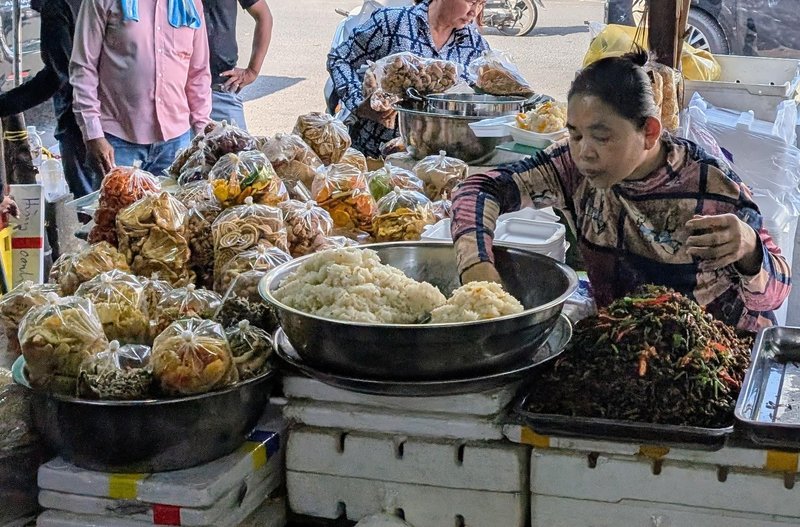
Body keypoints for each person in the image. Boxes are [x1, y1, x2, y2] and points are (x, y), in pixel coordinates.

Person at [451, 51, 791, 332]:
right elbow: (479, 189)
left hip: (714, 354)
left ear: (649, 132)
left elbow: (774, 296)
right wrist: (476, 266)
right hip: (624, 342)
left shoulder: (710, 186)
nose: (585, 152)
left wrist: (749, 249)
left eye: (602, 137)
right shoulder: (570, 168)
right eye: (575, 134)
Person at [327, 0, 489, 158]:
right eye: (471, 1)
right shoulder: (392, 23)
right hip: (375, 157)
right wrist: (359, 104)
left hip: (439, 162)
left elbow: (485, 96)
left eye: (481, 4)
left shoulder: (475, 46)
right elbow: (340, 59)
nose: (474, 12)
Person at [70, 0, 212, 177]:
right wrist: (93, 133)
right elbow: (83, 67)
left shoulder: (190, 3)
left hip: (176, 144)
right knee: (116, 204)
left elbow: (198, 72)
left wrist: (203, 132)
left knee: (174, 205)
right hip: (117, 142)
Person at [0, 0, 99, 198]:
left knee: (93, 205)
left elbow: (58, 76)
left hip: (80, 121)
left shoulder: (57, 6)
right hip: (114, 118)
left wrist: (4, 104)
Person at [203, 0, 273, 130]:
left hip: (220, 90)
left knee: (238, 147)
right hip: (176, 96)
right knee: (179, 150)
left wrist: (252, 71)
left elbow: (263, 15)